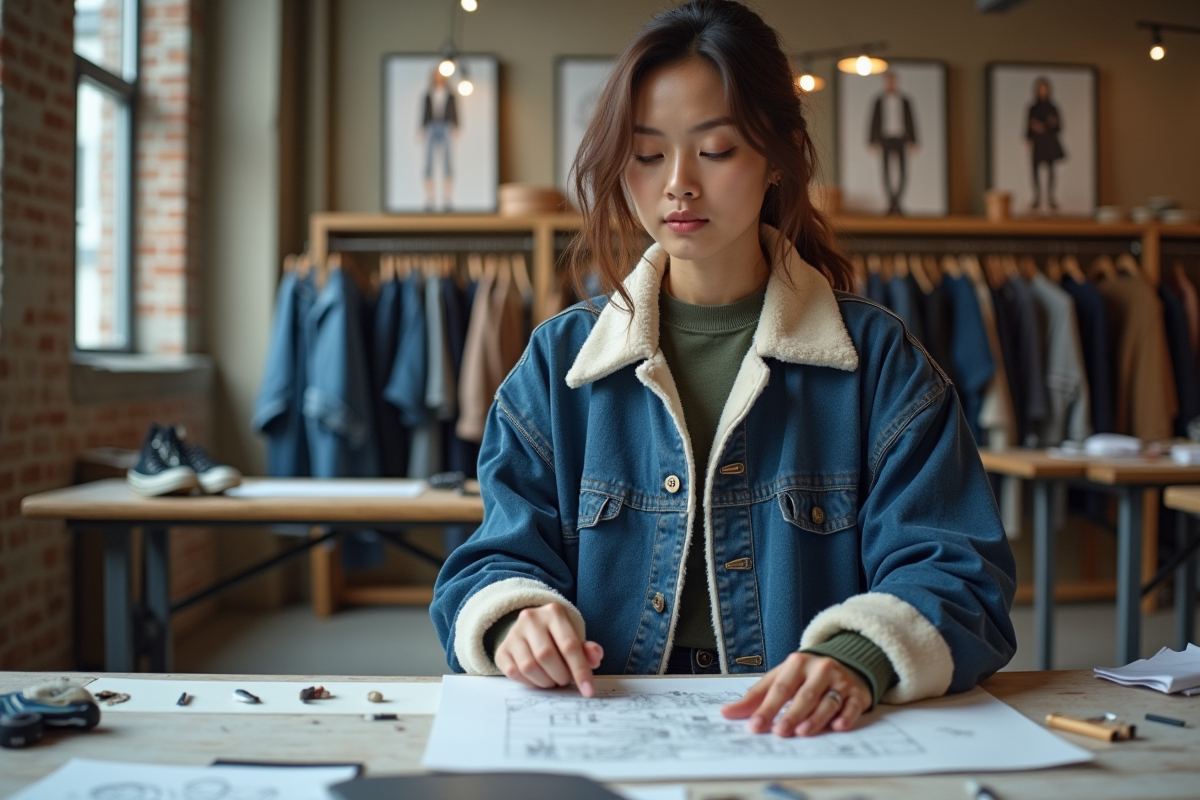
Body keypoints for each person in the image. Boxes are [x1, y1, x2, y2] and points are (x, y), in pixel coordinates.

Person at [431, 0, 1016, 739]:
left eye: (716, 150)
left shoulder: (880, 363)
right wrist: (516, 615)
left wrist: (859, 654)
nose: (679, 184)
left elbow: (960, 576)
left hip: (810, 732)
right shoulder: (560, 364)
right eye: (647, 154)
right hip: (598, 725)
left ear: (778, 155)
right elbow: (491, 559)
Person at [868, 71, 918, 215]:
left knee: (903, 171)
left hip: (901, 138)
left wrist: (913, 140)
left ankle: (896, 202)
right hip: (885, 139)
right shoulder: (878, 100)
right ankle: (892, 203)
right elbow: (874, 120)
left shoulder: (905, 101)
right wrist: (872, 140)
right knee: (886, 172)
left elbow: (911, 120)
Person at [421, 69, 458, 211]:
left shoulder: (450, 95)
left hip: (446, 127)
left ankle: (447, 199)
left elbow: (454, 111)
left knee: (448, 164)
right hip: (431, 126)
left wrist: (455, 127)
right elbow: (424, 112)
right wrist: (422, 128)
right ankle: (430, 199)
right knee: (428, 164)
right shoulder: (428, 94)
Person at [1026, 77, 1064, 211]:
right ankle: (1037, 197)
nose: (1043, 91)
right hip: (1038, 143)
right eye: (1040, 89)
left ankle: (1051, 197)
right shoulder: (1033, 108)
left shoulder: (1053, 107)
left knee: (1051, 171)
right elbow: (1028, 125)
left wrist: (1044, 126)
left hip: (1049, 142)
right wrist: (1028, 138)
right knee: (1035, 170)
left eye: (1045, 89)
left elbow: (1059, 126)